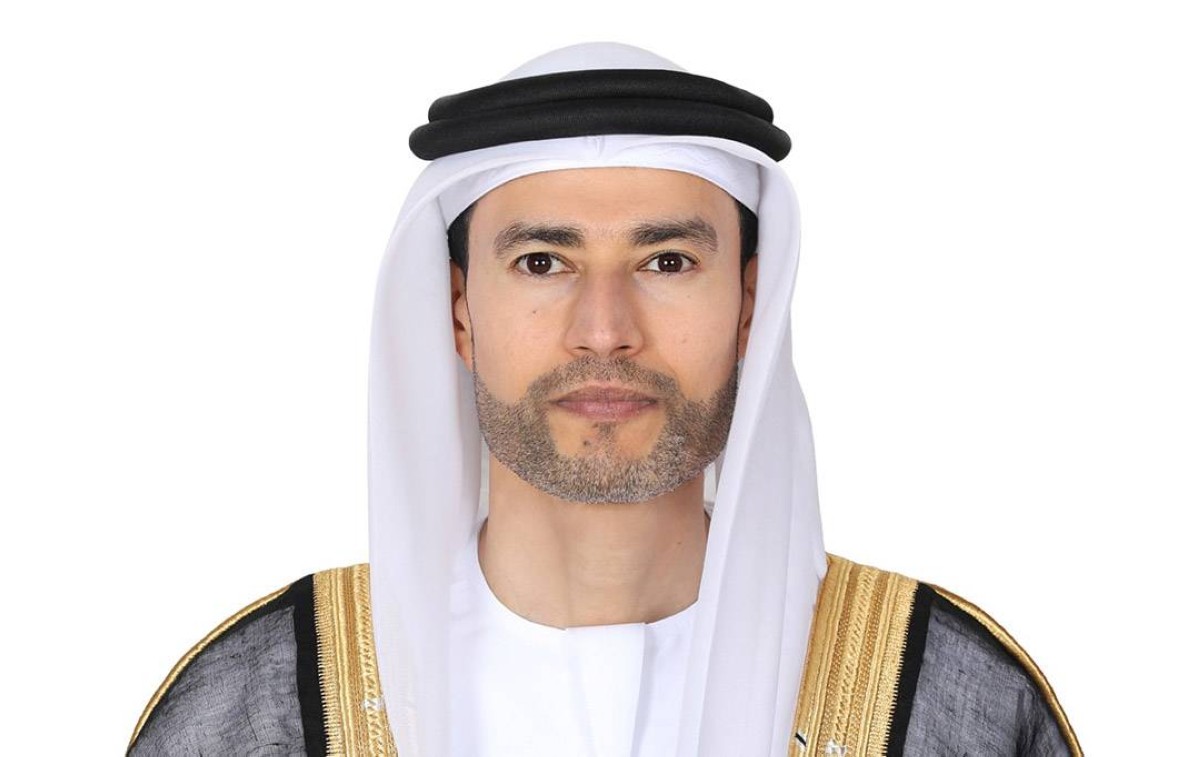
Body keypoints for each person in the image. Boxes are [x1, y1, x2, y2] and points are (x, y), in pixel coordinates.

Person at [127, 42, 1081, 757]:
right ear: (458, 311)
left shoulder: (943, 695)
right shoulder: (262, 708)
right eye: (543, 262)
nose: (604, 330)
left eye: (667, 261)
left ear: (749, 307)